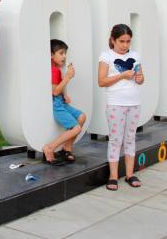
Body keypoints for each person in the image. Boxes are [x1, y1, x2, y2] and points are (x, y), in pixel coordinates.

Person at [98, 24, 144, 190]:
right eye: (121, 41)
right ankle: (113, 176)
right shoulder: (106, 56)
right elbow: (101, 81)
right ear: (113, 40)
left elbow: (141, 78)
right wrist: (122, 75)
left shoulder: (135, 56)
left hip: (134, 103)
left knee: (130, 138)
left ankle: (130, 174)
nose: (125, 45)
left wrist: (139, 78)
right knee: (116, 139)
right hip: (116, 104)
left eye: (128, 41)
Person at [42, 39, 87, 165]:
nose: (64, 56)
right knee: (76, 128)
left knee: (82, 117)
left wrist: (65, 94)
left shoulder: (56, 69)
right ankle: (50, 147)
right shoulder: (53, 70)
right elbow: (54, 91)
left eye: (65, 53)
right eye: (61, 53)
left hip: (61, 101)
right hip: (56, 104)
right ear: (51, 55)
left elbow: (58, 88)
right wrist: (67, 77)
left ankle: (66, 149)